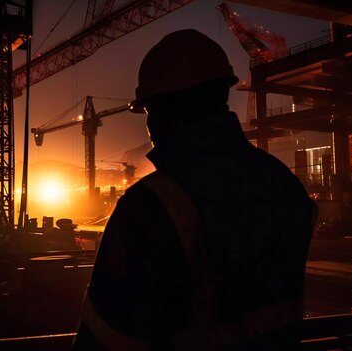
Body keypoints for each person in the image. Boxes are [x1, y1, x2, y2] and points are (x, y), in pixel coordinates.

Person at [73, 29, 316, 350]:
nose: (149, 126)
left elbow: (105, 339)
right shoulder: (284, 185)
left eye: (147, 112)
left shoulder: (152, 206)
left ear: (164, 110)